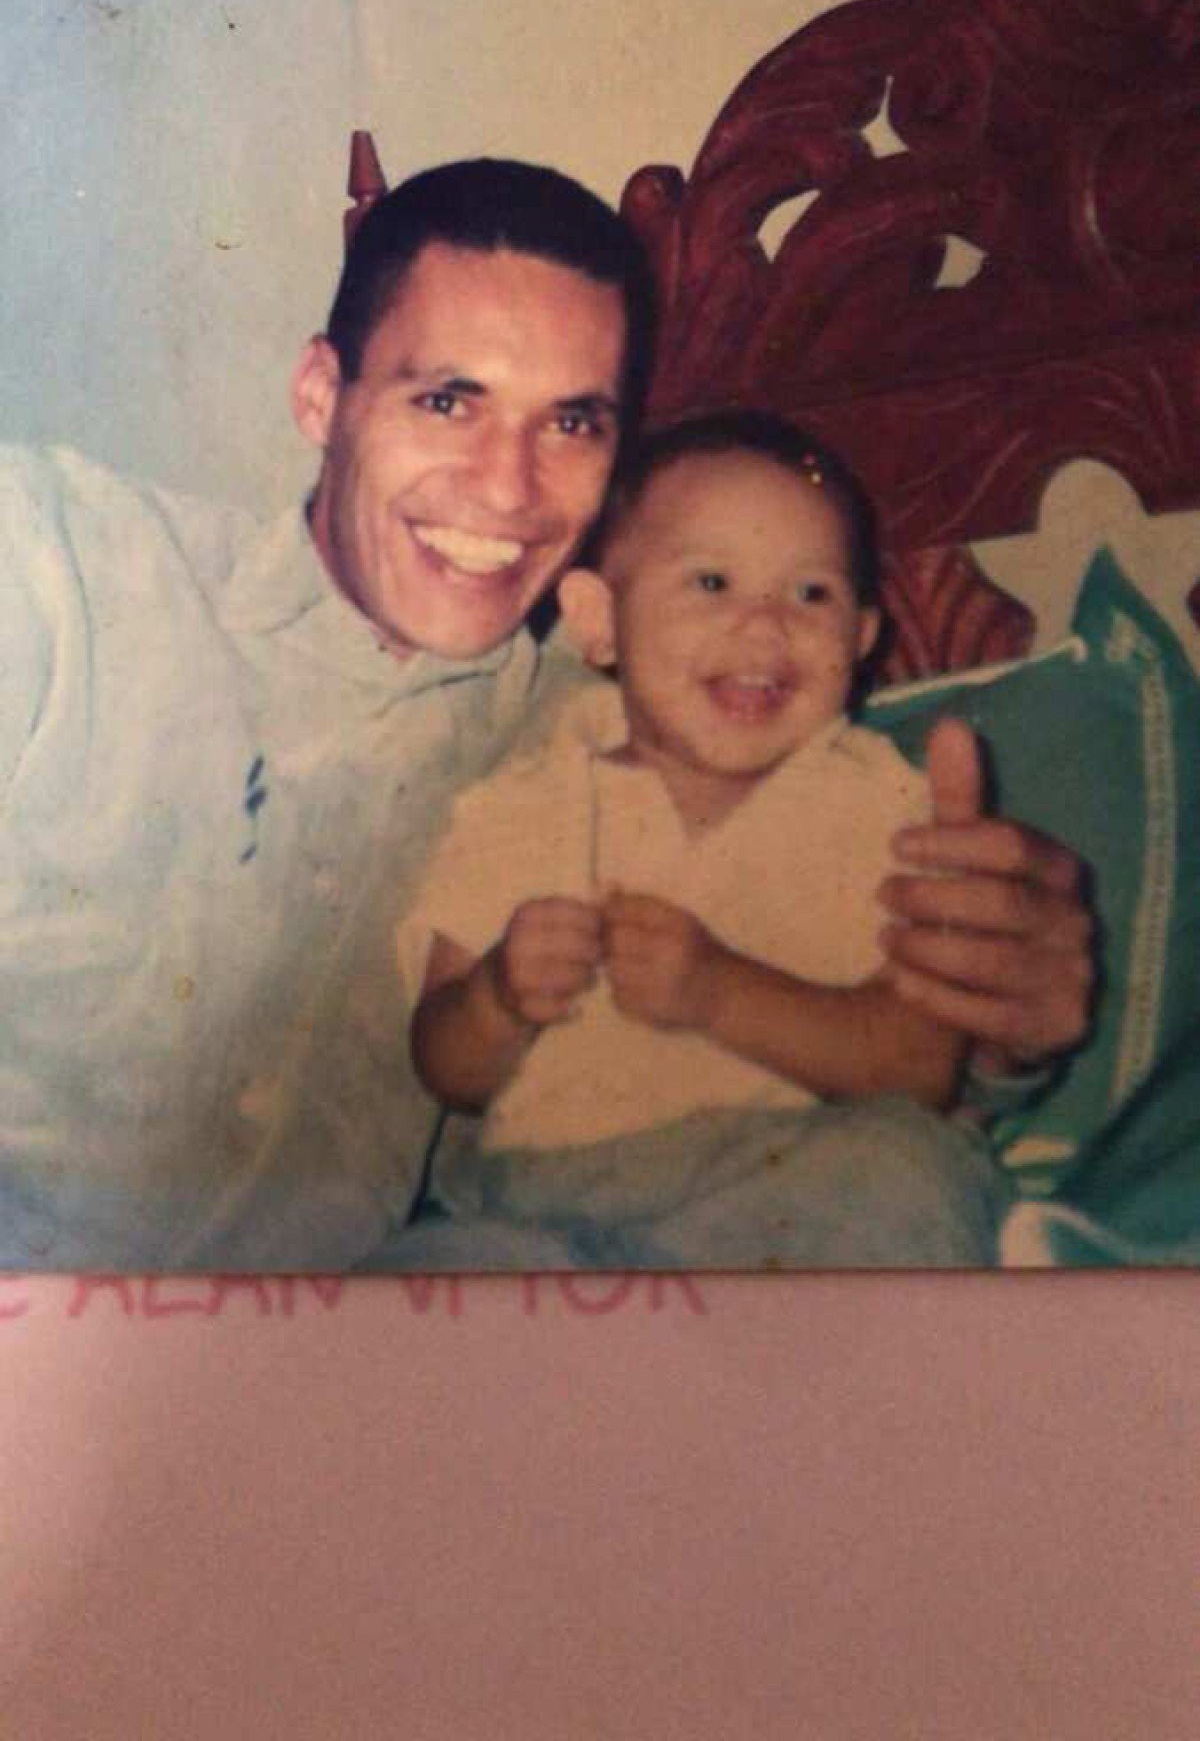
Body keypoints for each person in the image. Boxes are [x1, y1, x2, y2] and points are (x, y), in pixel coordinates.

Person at [0, 158, 1091, 1271]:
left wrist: (1004, 1020)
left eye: (571, 424)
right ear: (322, 396)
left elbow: (821, 1086)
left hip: (383, 1344)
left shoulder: (625, 736)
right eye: (447, 401)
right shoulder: (67, 575)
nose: (509, 491)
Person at [401, 413, 1010, 1268]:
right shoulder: (527, 803)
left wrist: (717, 993)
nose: (765, 628)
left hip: (804, 1178)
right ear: (599, 620)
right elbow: (444, 1068)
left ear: (862, 639)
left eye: (812, 594)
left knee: (910, 1179)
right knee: (433, 1273)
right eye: (713, 582)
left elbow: (921, 1065)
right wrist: (497, 998)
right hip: (547, 1195)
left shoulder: (882, 803)